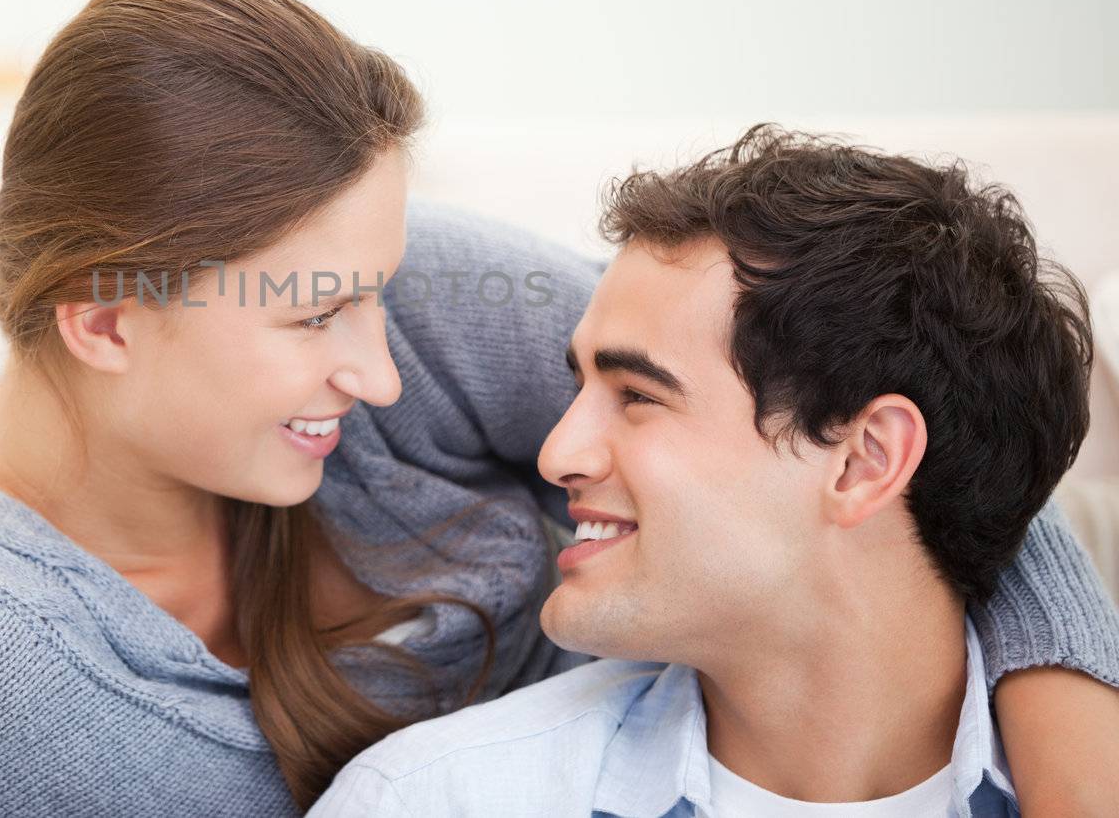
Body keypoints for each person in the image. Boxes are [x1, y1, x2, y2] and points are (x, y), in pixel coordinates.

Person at [0, 0, 1119, 818]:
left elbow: (906, 419)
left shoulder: (414, 298)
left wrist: (1069, 746)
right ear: (107, 321)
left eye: (377, 282)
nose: (381, 365)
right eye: (321, 312)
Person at [311, 126, 1119, 817]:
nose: (557, 453)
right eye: (578, 385)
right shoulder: (437, 799)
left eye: (636, 395)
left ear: (866, 460)